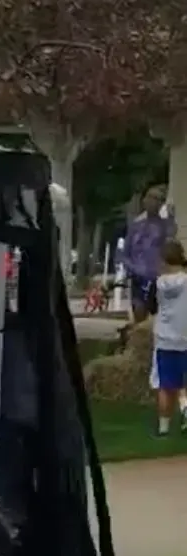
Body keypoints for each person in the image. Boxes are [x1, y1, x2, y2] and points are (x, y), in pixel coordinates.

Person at [117, 186, 175, 323]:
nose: (150, 201)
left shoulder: (165, 227)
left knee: (160, 319)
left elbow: (170, 251)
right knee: (139, 315)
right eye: (148, 197)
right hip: (138, 278)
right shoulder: (136, 226)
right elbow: (124, 253)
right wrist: (131, 268)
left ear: (161, 203)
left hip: (157, 280)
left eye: (156, 198)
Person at [153, 239, 187, 436]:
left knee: (166, 385)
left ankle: (163, 427)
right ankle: (184, 408)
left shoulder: (159, 283)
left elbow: (153, 306)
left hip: (165, 337)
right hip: (185, 336)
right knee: (183, 382)